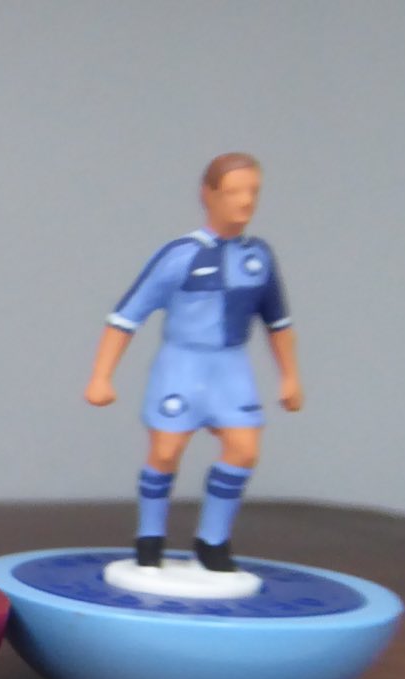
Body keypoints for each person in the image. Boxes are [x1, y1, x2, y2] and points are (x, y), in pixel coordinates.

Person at [85, 152, 301, 572]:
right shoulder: (180, 255)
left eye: (253, 192)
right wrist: (101, 376)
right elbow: (126, 317)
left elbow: (278, 322)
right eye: (234, 192)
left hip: (230, 369)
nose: (245, 201)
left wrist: (290, 377)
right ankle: (150, 538)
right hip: (182, 367)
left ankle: (212, 542)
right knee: (166, 452)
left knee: (244, 450)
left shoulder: (259, 257)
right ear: (208, 195)